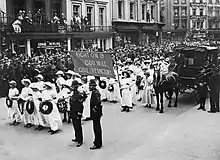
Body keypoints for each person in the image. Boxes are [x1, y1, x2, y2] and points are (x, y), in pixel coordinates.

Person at [70, 80, 87, 147]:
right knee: (74, 125)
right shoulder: (73, 94)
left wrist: (80, 113)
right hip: (73, 111)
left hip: (77, 112)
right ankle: (77, 137)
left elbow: (80, 105)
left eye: (74, 87)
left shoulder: (79, 95)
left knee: (78, 126)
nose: (73, 88)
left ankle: (80, 140)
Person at [89, 79, 103, 149]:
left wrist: (95, 108)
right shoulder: (94, 92)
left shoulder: (96, 93)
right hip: (96, 112)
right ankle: (97, 142)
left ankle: (97, 143)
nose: (89, 87)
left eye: (90, 86)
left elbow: (98, 102)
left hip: (96, 113)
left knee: (96, 128)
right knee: (96, 127)